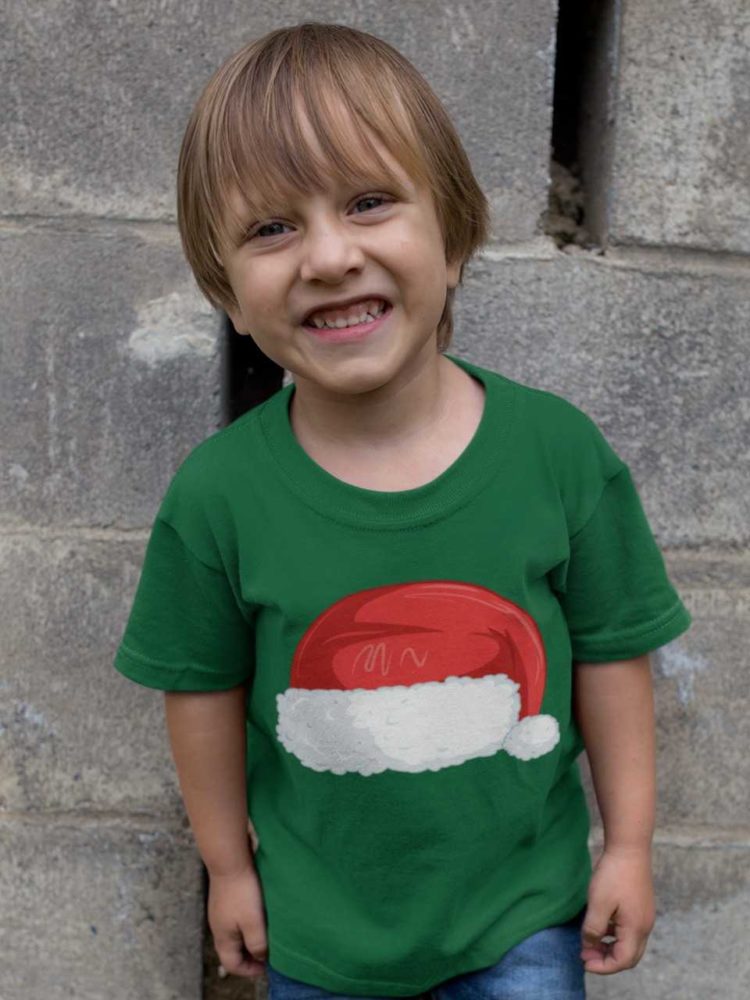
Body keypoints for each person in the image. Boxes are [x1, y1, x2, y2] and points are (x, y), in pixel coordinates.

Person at [113, 21, 693, 1000]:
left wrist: (629, 842)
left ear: (454, 233)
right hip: (320, 937)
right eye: (271, 228)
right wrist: (227, 866)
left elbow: (612, 652)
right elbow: (201, 691)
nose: (330, 256)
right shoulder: (217, 496)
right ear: (228, 290)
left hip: (521, 921)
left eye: (370, 202)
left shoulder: (557, 454)